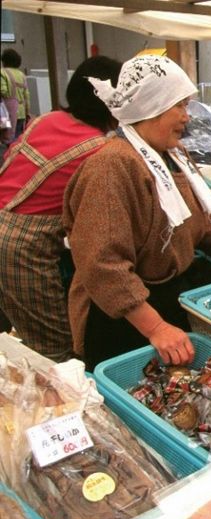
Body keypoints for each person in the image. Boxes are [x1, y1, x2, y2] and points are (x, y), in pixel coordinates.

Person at [63, 55, 211, 370]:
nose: (187, 117)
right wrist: (155, 328)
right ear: (152, 106)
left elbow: (206, 216)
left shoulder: (174, 155)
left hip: (166, 296)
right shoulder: (111, 166)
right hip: (120, 312)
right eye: (180, 105)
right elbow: (101, 264)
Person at [0, 56, 122, 362]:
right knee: (53, 348)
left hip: (4, 220)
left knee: (12, 328)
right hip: (20, 248)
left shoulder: (47, 119)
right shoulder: (99, 151)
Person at [1, 49, 31, 143]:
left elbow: (3, 91)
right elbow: (27, 95)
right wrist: (27, 111)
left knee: (6, 136)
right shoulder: (21, 75)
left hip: (6, 111)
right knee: (18, 136)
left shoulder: (2, 72)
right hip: (21, 111)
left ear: (4, 61)